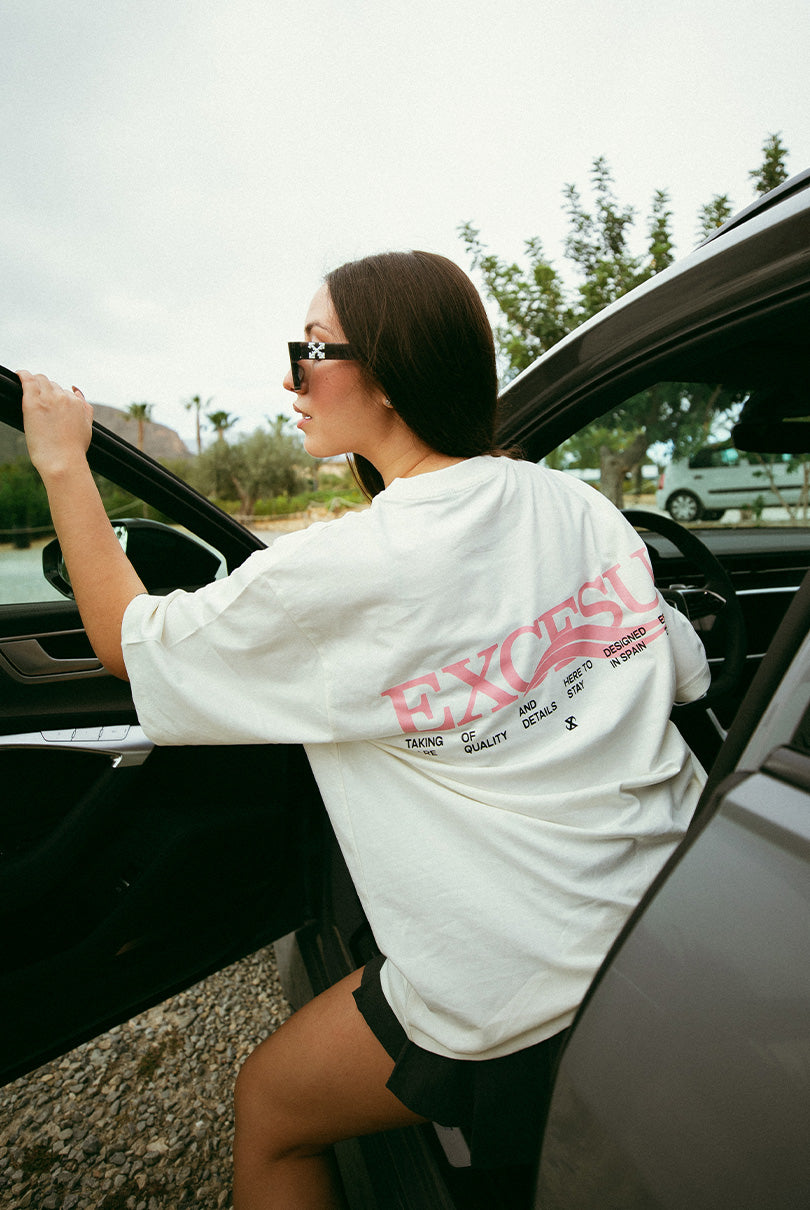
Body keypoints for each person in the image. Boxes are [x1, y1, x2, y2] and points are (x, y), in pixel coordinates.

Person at [20, 249, 710, 1210]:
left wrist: (62, 462)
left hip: (521, 987)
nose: (289, 378)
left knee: (268, 1109)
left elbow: (129, 647)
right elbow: (678, 671)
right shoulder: (577, 504)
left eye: (309, 350)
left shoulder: (341, 572)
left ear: (386, 371)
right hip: (687, 919)